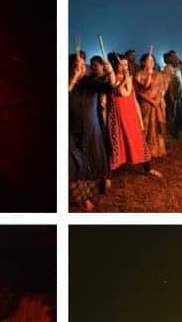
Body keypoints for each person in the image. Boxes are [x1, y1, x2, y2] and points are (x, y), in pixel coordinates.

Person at [69, 53, 114, 210]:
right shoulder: (66, 83)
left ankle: (89, 195)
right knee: (75, 165)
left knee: (91, 162)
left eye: (83, 65)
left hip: (91, 130)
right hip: (72, 133)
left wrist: (110, 73)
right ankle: (81, 198)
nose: (81, 69)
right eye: (77, 66)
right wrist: (73, 80)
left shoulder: (89, 82)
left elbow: (108, 88)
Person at [108, 56, 162, 177]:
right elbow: (122, 92)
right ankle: (108, 174)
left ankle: (148, 168)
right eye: (121, 64)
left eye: (126, 65)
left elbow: (133, 99)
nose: (124, 67)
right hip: (119, 115)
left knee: (138, 140)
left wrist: (139, 119)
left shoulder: (129, 79)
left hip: (130, 114)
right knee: (118, 141)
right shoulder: (112, 78)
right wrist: (125, 80)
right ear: (115, 65)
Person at [135, 53, 168, 157]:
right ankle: (145, 150)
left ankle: (158, 150)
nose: (151, 63)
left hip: (158, 104)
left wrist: (157, 100)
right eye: (148, 61)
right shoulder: (139, 75)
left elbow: (162, 90)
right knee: (146, 126)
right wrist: (151, 101)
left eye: (152, 61)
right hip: (146, 104)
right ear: (143, 62)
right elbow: (139, 92)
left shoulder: (159, 75)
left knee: (157, 127)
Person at [163, 50, 182, 137]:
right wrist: (171, 95)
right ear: (169, 58)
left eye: (177, 57)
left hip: (178, 95)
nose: (177, 58)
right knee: (171, 114)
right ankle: (170, 132)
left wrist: (180, 63)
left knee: (177, 114)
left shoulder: (176, 67)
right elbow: (168, 83)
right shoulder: (168, 68)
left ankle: (176, 131)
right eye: (174, 57)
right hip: (172, 95)